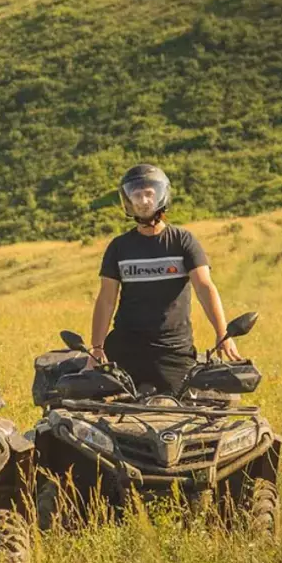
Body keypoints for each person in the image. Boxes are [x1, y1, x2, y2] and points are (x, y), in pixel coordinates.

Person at [87, 164, 241, 393]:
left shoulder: (182, 241)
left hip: (173, 349)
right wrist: (97, 347)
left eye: (149, 193)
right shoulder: (119, 247)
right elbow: (106, 299)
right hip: (126, 346)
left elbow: (204, 287)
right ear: (128, 200)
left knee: (186, 413)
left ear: (161, 195)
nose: (143, 200)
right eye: (136, 194)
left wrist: (223, 334)